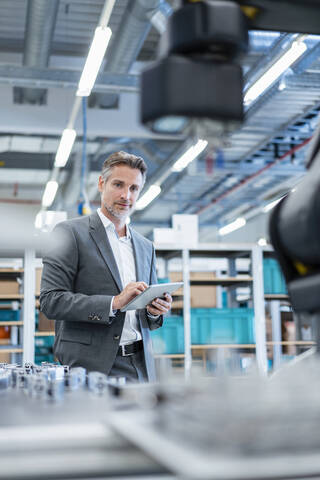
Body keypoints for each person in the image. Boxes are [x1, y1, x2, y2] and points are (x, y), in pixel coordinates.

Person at [40, 151, 172, 382]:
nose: (126, 195)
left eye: (134, 188)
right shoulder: (70, 233)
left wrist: (154, 311)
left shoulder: (145, 246)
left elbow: (148, 320)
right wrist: (114, 303)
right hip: (88, 365)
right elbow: (51, 301)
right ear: (102, 184)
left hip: (140, 365)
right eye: (118, 184)